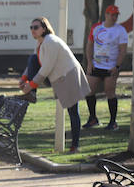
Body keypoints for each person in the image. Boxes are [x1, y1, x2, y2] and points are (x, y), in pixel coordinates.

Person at [19, 17, 91, 153]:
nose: (33, 30)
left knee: (73, 112)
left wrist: (31, 85)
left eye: (36, 27)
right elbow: (35, 63)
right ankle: (32, 95)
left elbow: (46, 67)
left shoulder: (50, 41)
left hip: (69, 76)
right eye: (31, 28)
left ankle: (75, 146)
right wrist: (23, 79)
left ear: (44, 28)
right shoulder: (41, 43)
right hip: (58, 77)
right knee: (32, 58)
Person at [83, 5, 128, 131]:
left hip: (110, 67)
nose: (114, 17)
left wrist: (117, 66)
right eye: (112, 15)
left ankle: (113, 121)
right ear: (106, 15)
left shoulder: (120, 30)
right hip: (96, 65)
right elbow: (90, 45)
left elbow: (123, 50)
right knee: (89, 90)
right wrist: (89, 63)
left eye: (116, 15)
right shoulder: (96, 28)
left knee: (110, 92)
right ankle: (93, 118)